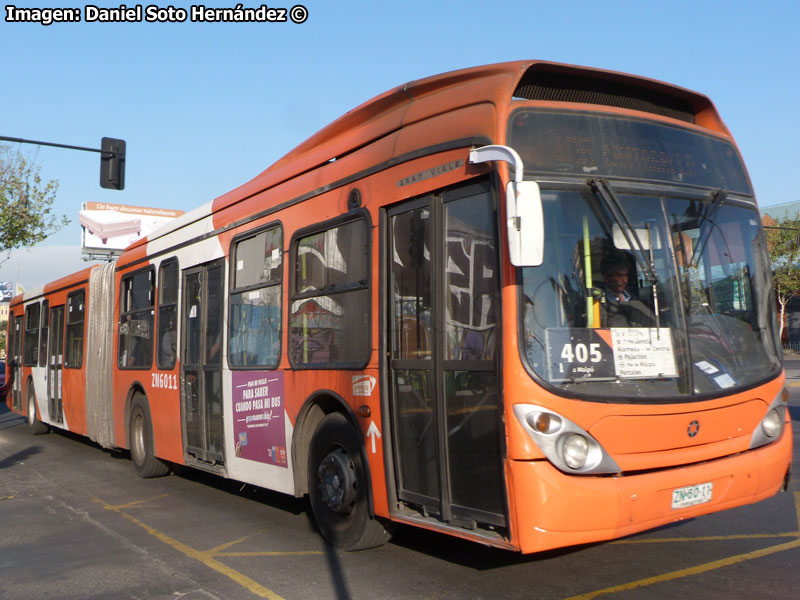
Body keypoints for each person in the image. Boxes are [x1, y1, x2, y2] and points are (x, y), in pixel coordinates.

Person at [598, 254, 654, 327]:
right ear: (606, 278)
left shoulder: (636, 299)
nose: (625, 280)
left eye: (626, 275)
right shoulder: (598, 301)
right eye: (619, 276)